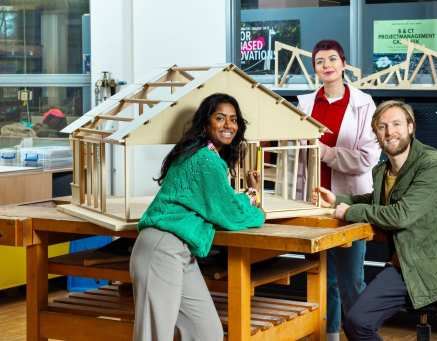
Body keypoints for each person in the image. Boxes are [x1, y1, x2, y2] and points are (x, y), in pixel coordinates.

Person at [315, 100, 437, 341]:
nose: (389, 132)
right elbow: (376, 200)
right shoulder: (382, 171)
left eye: (396, 124)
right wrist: (336, 200)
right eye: (381, 126)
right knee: (357, 322)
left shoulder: (431, 164)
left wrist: (349, 212)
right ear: (376, 133)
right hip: (405, 267)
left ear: (411, 127)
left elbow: (401, 215)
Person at [130, 93, 265, 341]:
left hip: (180, 252)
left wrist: (250, 193)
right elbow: (230, 214)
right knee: (154, 336)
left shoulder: (206, 157)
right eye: (220, 118)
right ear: (206, 123)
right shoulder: (205, 160)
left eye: (233, 120)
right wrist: (257, 209)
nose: (229, 125)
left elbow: (223, 201)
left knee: (207, 333)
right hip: (162, 248)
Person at [296, 39, 381, 340]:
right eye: (320, 62)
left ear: (343, 64)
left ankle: (361, 335)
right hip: (314, 202)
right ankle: (330, 335)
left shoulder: (363, 104)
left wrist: (324, 152)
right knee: (324, 279)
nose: (327, 65)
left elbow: (367, 158)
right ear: (315, 69)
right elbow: (297, 153)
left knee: (351, 280)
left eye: (332, 59)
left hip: (348, 204)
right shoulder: (305, 104)